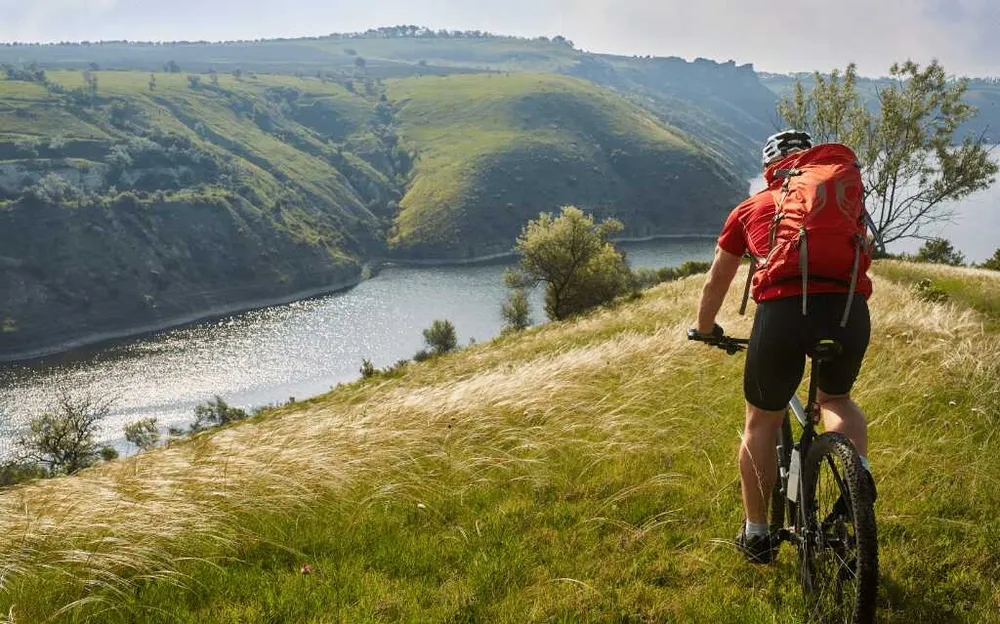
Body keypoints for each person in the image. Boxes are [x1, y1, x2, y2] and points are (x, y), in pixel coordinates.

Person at [691, 129, 875, 564]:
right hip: (848, 309)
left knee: (762, 420)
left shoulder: (751, 208)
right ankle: (859, 480)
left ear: (769, 168)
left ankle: (757, 534)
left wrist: (705, 327)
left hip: (783, 314)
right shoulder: (842, 201)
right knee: (838, 400)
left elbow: (718, 278)